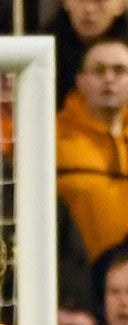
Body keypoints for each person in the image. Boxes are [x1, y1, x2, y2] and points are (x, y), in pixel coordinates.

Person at [56, 40, 128, 266]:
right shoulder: (53, 136)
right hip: (76, 283)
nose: (109, 79)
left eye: (120, 70)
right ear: (80, 81)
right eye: (99, 70)